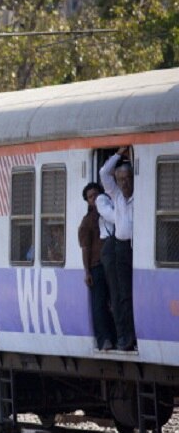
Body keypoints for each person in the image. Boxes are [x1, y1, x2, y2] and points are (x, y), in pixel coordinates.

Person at [99, 147, 135, 351]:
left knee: (134, 293)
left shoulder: (140, 196)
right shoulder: (116, 196)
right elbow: (104, 173)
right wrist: (119, 154)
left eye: (128, 178)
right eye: (120, 179)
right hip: (121, 248)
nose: (124, 183)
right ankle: (125, 336)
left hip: (138, 247)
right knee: (121, 294)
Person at [78, 182, 116, 351]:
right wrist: (87, 271)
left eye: (95, 195)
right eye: (90, 197)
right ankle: (104, 339)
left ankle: (116, 337)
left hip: (114, 265)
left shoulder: (111, 213)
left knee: (116, 302)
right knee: (100, 304)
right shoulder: (87, 222)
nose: (94, 199)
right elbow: (85, 248)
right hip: (97, 266)